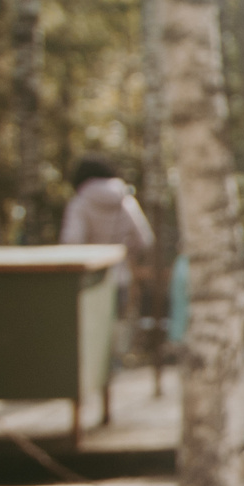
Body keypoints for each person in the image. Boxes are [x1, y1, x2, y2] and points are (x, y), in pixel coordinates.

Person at [59, 154, 155, 371]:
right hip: (120, 275)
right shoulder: (126, 201)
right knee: (116, 324)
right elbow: (144, 238)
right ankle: (114, 365)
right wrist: (124, 253)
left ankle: (93, 370)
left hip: (89, 277)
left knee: (91, 326)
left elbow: (71, 240)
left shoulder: (80, 203)